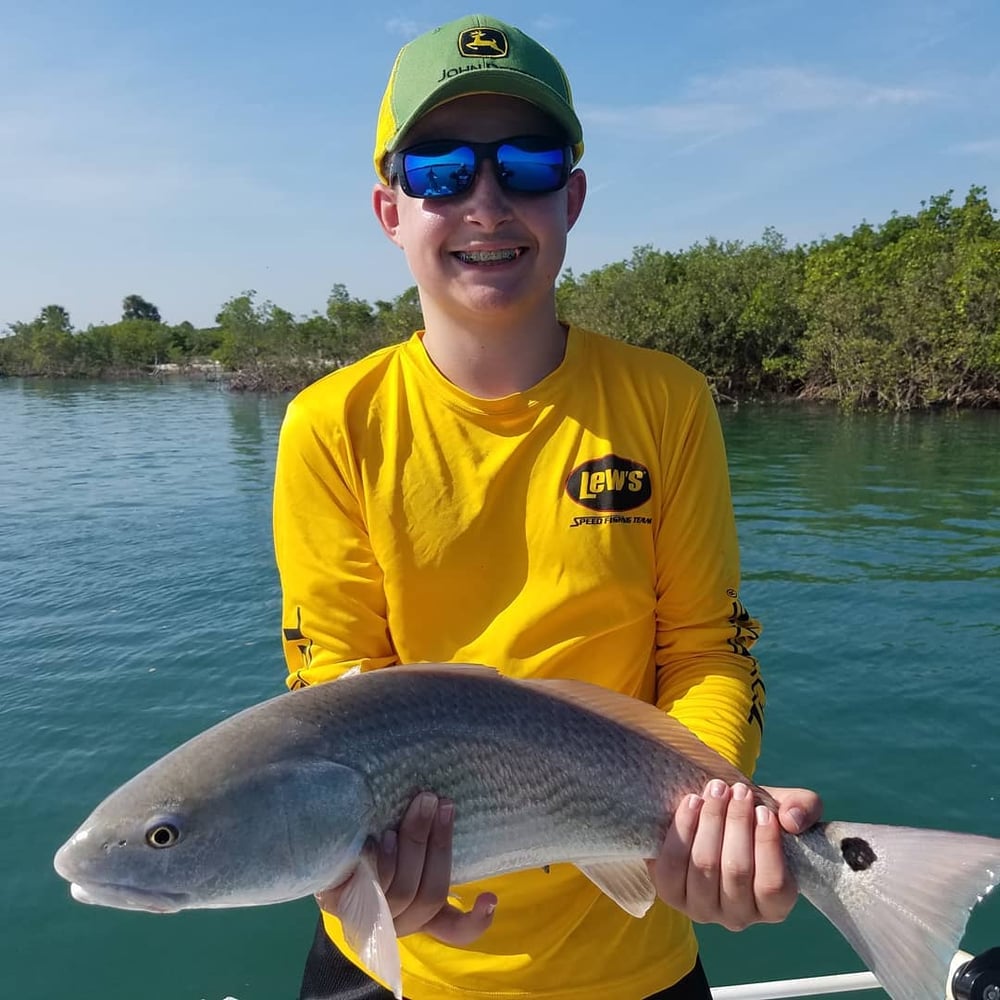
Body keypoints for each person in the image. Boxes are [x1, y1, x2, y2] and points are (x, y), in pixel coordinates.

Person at [273, 13, 822, 1000]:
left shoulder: (664, 400)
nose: (485, 201)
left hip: (633, 957)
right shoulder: (331, 425)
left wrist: (710, 816)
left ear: (569, 197)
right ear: (389, 208)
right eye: (440, 168)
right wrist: (365, 864)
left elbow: (706, 649)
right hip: (393, 963)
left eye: (523, 162)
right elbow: (340, 696)